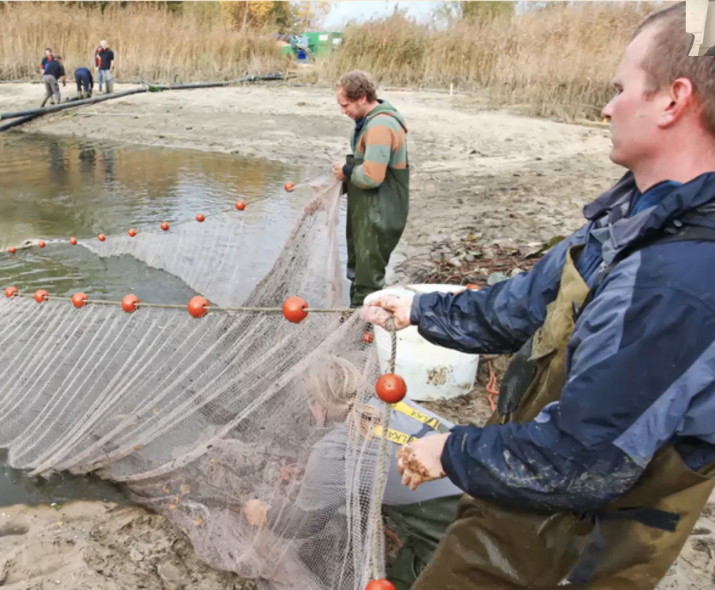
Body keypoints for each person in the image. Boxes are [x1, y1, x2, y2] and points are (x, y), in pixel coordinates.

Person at [361, 4, 715, 589]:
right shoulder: (631, 214)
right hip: (520, 499)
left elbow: (580, 463)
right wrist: (419, 310)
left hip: (579, 544)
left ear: (673, 99)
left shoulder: (677, 280)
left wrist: (449, 449)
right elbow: (521, 307)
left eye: (620, 88)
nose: (606, 107)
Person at [243, 356, 461, 590]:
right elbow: (376, 456)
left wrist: (263, 511)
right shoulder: (387, 399)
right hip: (486, 479)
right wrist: (315, 471)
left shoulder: (333, 450)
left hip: (466, 525)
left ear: (316, 403)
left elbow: (303, 524)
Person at [331, 71, 409, 308]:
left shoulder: (380, 126)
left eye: (345, 105)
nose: (343, 111)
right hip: (368, 212)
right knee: (359, 272)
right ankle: (356, 323)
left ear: (362, 98)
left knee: (368, 280)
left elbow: (371, 177)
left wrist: (345, 170)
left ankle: (362, 333)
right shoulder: (369, 122)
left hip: (379, 214)